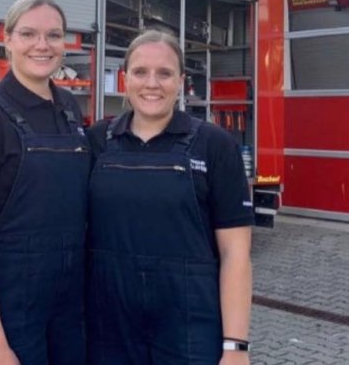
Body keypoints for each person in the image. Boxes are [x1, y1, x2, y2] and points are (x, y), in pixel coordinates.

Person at [86, 29, 254, 365]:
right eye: (140, 72)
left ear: (180, 81)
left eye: (164, 73)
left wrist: (235, 347)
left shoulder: (214, 145)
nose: (152, 83)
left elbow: (236, 252)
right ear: (125, 79)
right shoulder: (96, 142)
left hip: (189, 326)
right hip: (109, 325)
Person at [0, 0, 89, 365]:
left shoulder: (70, 110)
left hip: (65, 312)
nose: (42, 45)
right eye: (28, 34)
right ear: (7, 40)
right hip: (5, 313)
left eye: (54, 35)